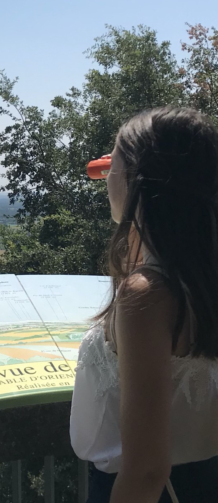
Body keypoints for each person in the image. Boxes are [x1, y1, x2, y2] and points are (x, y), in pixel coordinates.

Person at [70, 106, 218, 503]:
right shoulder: (198, 278)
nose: (106, 176)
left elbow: (147, 469)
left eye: (113, 161)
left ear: (135, 177)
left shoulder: (148, 296)